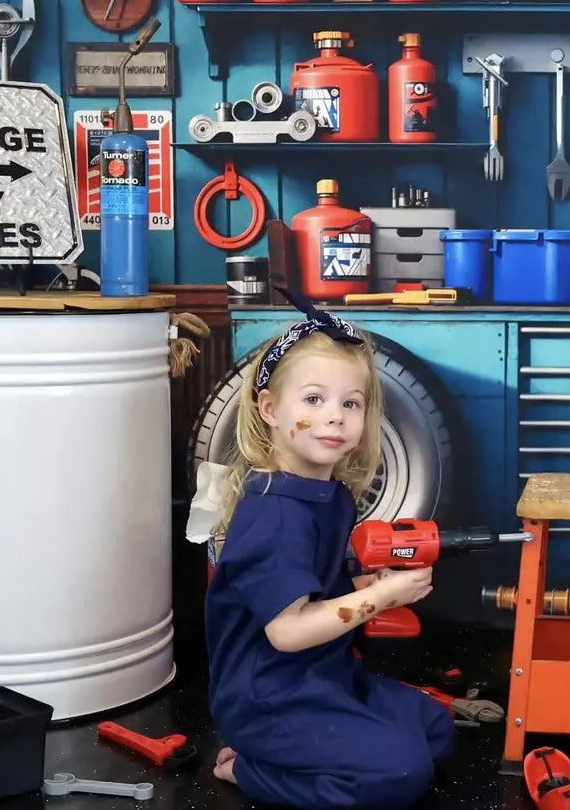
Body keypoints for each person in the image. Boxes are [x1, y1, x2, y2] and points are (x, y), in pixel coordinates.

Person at [202, 292, 454, 809]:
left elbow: (321, 591)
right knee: (402, 772)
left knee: (436, 729)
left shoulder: (331, 496)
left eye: (350, 403)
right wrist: (379, 599)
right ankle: (249, 770)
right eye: (313, 400)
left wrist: (368, 583)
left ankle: (301, 754)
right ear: (270, 410)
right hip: (270, 700)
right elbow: (289, 630)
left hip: (323, 678)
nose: (335, 417)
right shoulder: (274, 514)